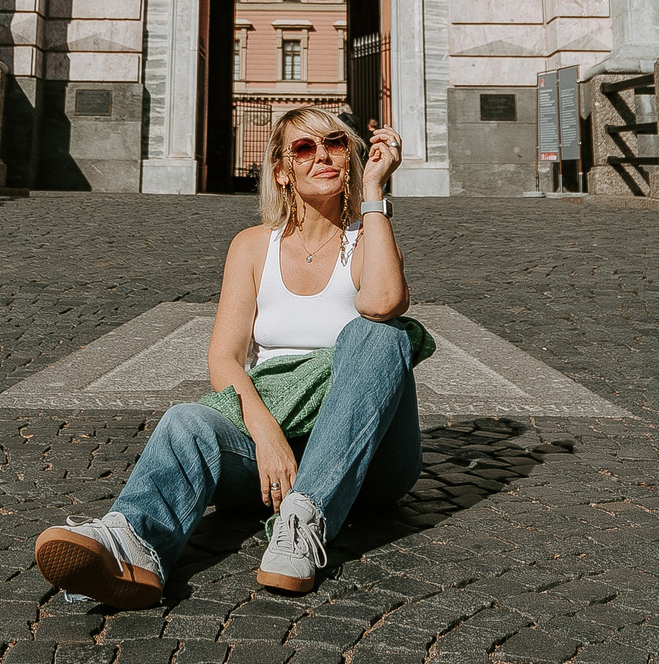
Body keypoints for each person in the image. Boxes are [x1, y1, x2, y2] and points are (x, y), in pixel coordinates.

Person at [34, 107, 415, 606]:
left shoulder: (367, 238)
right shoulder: (252, 247)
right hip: (273, 455)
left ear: (351, 157)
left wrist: (374, 195)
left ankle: (303, 521)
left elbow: (384, 303)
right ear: (282, 170)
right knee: (187, 419)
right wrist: (266, 433)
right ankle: (131, 545)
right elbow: (225, 359)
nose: (322, 155)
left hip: (370, 459)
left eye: (335, 144)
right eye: (304, 148)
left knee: (381, 336)